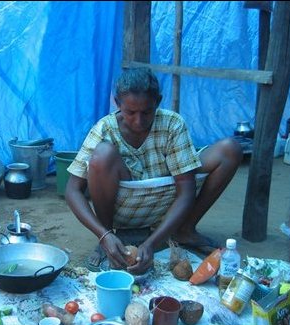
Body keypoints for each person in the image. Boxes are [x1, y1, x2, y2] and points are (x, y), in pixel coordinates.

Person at [65, 67, 243, 275]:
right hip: (125, 204)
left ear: (157, 101)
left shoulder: (172, 124)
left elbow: (186, 191)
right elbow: (72, 190)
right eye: (130, 112)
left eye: (146, 112)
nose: (138, 121)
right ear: (117, 102)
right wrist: (103, 235)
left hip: (166, 199)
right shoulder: (105, 129)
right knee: (102, 154)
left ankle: (184, 229)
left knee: (230, 150)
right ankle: (108, 240)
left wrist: (150, 244)